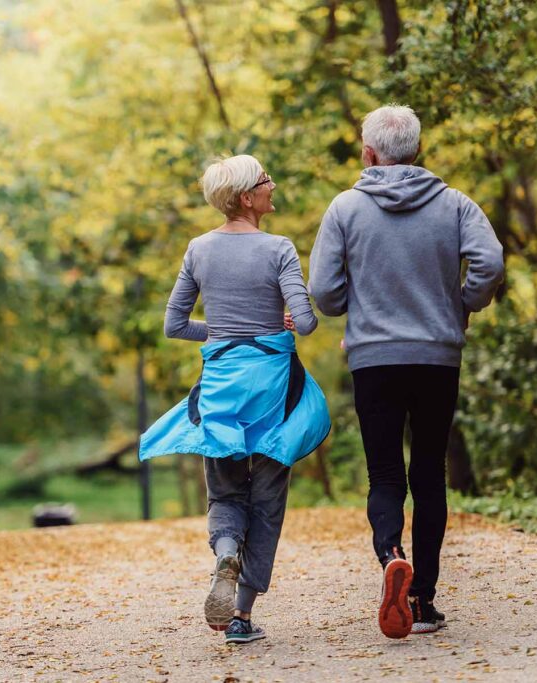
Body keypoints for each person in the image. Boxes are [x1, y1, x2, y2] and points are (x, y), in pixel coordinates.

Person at [308, 104, 504, 639]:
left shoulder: (345, 208)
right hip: (438, 356)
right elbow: (491, 261)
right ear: (417, 150)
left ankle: (392, 553)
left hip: (374, 358)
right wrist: (462, 304)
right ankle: (422, 600)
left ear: (369, 153)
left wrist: (361, 308)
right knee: (429, 475)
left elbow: (323, 292)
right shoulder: (455, 205)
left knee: (386, 474)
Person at [139, 154, 331, 645]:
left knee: (226, 492)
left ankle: (225, 552)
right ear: (248, 198)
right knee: (267, 501)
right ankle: (241, 615)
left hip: (222, 390)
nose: (273, 185)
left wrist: (223, 331)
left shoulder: (198, 249)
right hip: (274, 391)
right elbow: (307, 323)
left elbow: (175, 325)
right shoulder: (280, 248)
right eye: (266, 180)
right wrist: (282, 322)